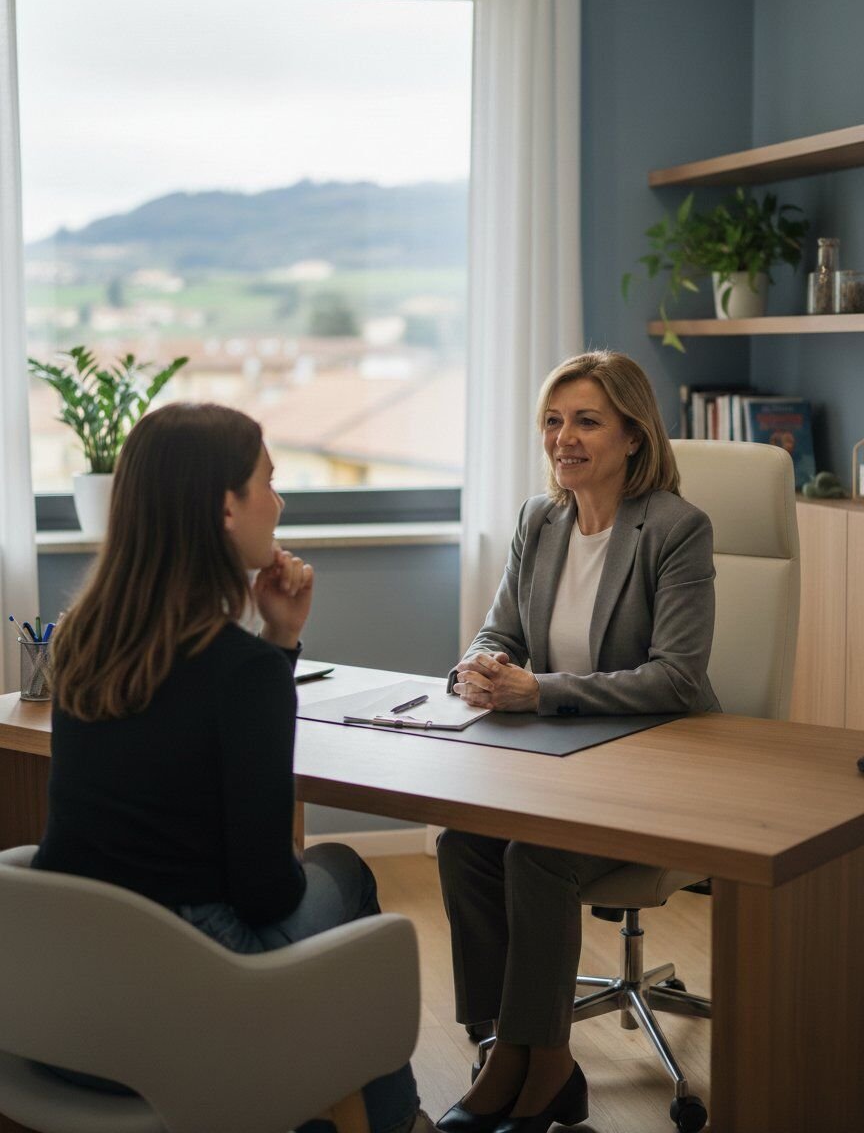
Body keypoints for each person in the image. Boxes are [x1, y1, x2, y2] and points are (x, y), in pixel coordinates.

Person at [34, 402, 426, 1133]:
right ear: (225, 507)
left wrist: (276, 640)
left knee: (323, 888)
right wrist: (273, 655)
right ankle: (391, 1120)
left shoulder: (83, 640)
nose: (278, 504)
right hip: (182, 1005)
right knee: (345, 876)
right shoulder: (240, 673)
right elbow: (265, 894)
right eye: (267, 484)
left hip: (69, 1008)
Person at [436, 351, 720, 1133]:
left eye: (586, 421)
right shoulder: (540, 518)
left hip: (662, 767)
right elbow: (503, 628)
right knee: (462, 841)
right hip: (562, 766)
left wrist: (540, 692)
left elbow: (675, 680)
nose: (564, 439)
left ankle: (547, 1067)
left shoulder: (675, 529)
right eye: (554, 422)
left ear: (633, 434)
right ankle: (502, 1047)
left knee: (537, 855)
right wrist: (481, 664)